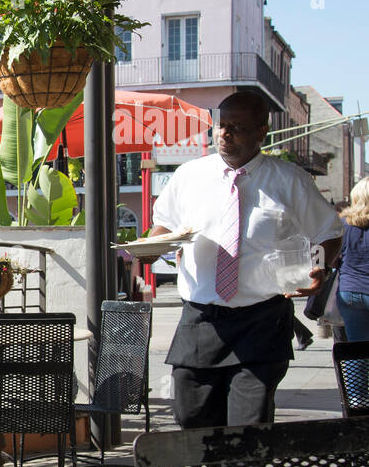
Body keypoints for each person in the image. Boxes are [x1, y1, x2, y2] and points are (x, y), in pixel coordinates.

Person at [142, 89, 342, 428]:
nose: (225, 134)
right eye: (221, 125)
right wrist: (150, 246)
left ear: (261, 131)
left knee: (248, 429)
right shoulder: (190, 176)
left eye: (237, 126)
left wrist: (319, 266)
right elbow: (163, 226)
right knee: (191, 419)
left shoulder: (289, 180)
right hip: (201, 319)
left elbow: (329, 230)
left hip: (261, 321)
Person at [336, 177, 369, 341]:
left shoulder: (342, 224)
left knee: (356, 348)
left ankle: (355, 367)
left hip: (349, 291)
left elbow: (333, 258)